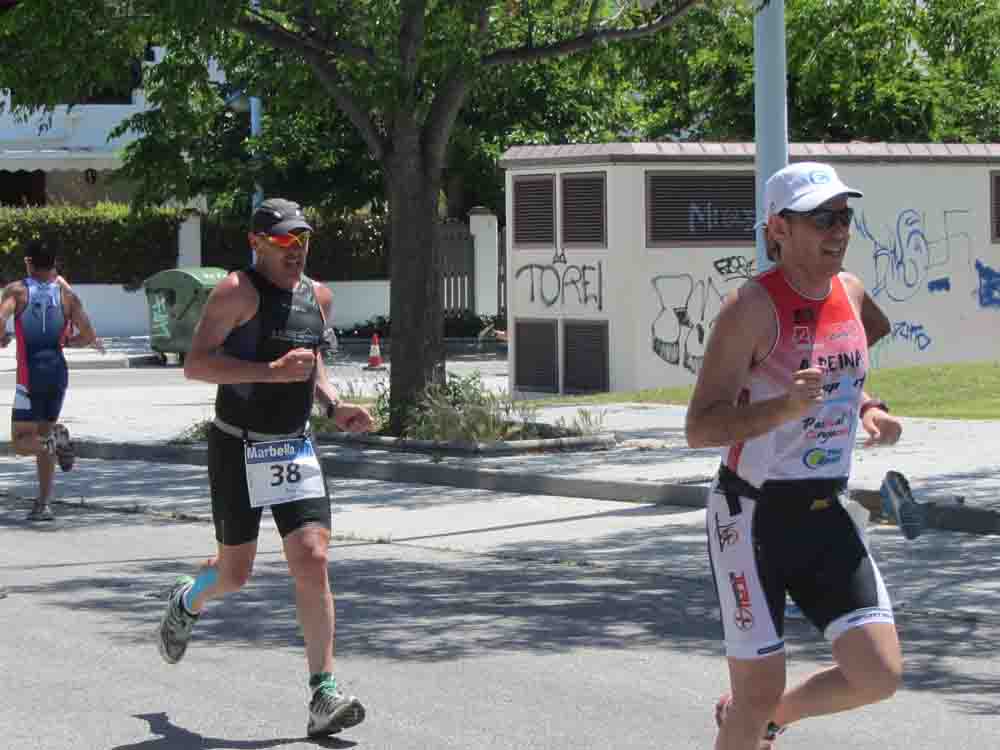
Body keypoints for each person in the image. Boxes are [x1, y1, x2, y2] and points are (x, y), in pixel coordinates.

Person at [686, 162, 905, 749]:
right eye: (822, 219)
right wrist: (781, 410)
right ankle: (753, 715)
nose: (839, 230)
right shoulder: (750, 310)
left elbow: (851, 358)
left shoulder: (851, 292)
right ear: (778, 228)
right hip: (751, 516)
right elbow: (700, 426)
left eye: (845, 217)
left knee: (878, 673)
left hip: (821, 510)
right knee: (755, 690)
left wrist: (868, 408)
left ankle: (767, 717)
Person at [155, 198, 375, 739]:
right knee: (236, 574)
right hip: (238, 445)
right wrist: (267, 373)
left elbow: (312, 362)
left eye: (302, 240)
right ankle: (187, 600)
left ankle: (323, 692)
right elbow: (196, 364)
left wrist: (332, 404)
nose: (295, 250)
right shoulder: (235, 292)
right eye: (283, 241)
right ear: (256, 244)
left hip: (293, 447)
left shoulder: (316, 296)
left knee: (312, 554)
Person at [0, 241, 103, 521]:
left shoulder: (17, 290)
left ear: (28, 262)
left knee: (22, 442)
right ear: (54, 263)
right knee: (44, 433)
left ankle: (56, 445)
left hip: (29, 376)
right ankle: (44, 505)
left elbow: (1, 318)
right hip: (57, 371)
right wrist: (70, 342)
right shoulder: (66, 294)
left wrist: (1, 339)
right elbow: (89, 334)